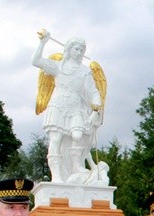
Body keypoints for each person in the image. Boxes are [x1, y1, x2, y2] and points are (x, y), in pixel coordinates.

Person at [32, 31, 103, 184]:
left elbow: (93, 91)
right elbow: (36, 61)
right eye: (76, 49)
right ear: (69, 49)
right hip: (58, 105)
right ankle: (57, 176)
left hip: (76, 108)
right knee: (56, 139)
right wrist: (43, 42)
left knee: (77, 136)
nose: (79, 53)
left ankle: (77, 167)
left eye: (82, 50)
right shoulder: (58, 67)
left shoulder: (85, 72)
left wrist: (96, 109)